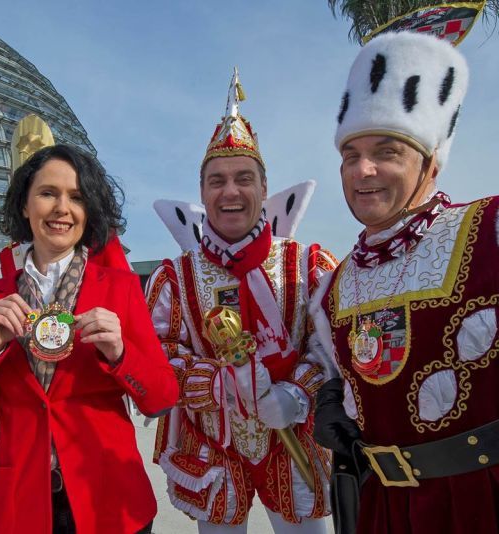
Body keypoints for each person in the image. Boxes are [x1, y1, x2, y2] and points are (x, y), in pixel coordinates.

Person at [0, 138, 179, 534]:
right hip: (20, 503)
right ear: (25, 205)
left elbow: (163, 397)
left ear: (89, 212)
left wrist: (121, 354)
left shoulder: (120, 288)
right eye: (48, 193)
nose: (62, 208)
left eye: (77, 197)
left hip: (110, 498)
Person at [311, 31, 499, 534]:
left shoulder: (490, 229)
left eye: (387, 151)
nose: (363, 169)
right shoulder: (334, 286)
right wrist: (330, 396)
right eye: (350, 155)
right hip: (384, 511)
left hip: (482, 503)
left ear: (431, 161)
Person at [147, 70, 335, 534]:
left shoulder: (307, 263)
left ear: (264, 189)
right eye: (216, 181)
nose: (230, 192)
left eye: (243, 178)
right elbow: (156, 352)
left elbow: (331, 347)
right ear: (202, 192)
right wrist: (215, 385)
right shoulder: (175, 276)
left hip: (294, 445)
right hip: (212, 450)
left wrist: (297, 392)